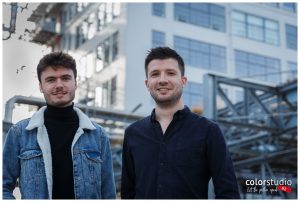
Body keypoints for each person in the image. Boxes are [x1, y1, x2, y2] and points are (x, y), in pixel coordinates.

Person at [121, 47, 240, 199]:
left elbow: (228, 192)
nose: (162, 80)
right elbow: (127, 193)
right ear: (147, 83)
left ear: (183, 81)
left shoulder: (208, 131)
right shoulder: (133, 133)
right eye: (155, 74)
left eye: (170, 73)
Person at [3, 52, 116, 199]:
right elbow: (3, 186)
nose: (59, 85)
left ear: (76, 82)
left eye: (65, 78)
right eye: (51, 80)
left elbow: (108, 194)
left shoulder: (98, 135)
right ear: (41, 86)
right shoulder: (20, 133)